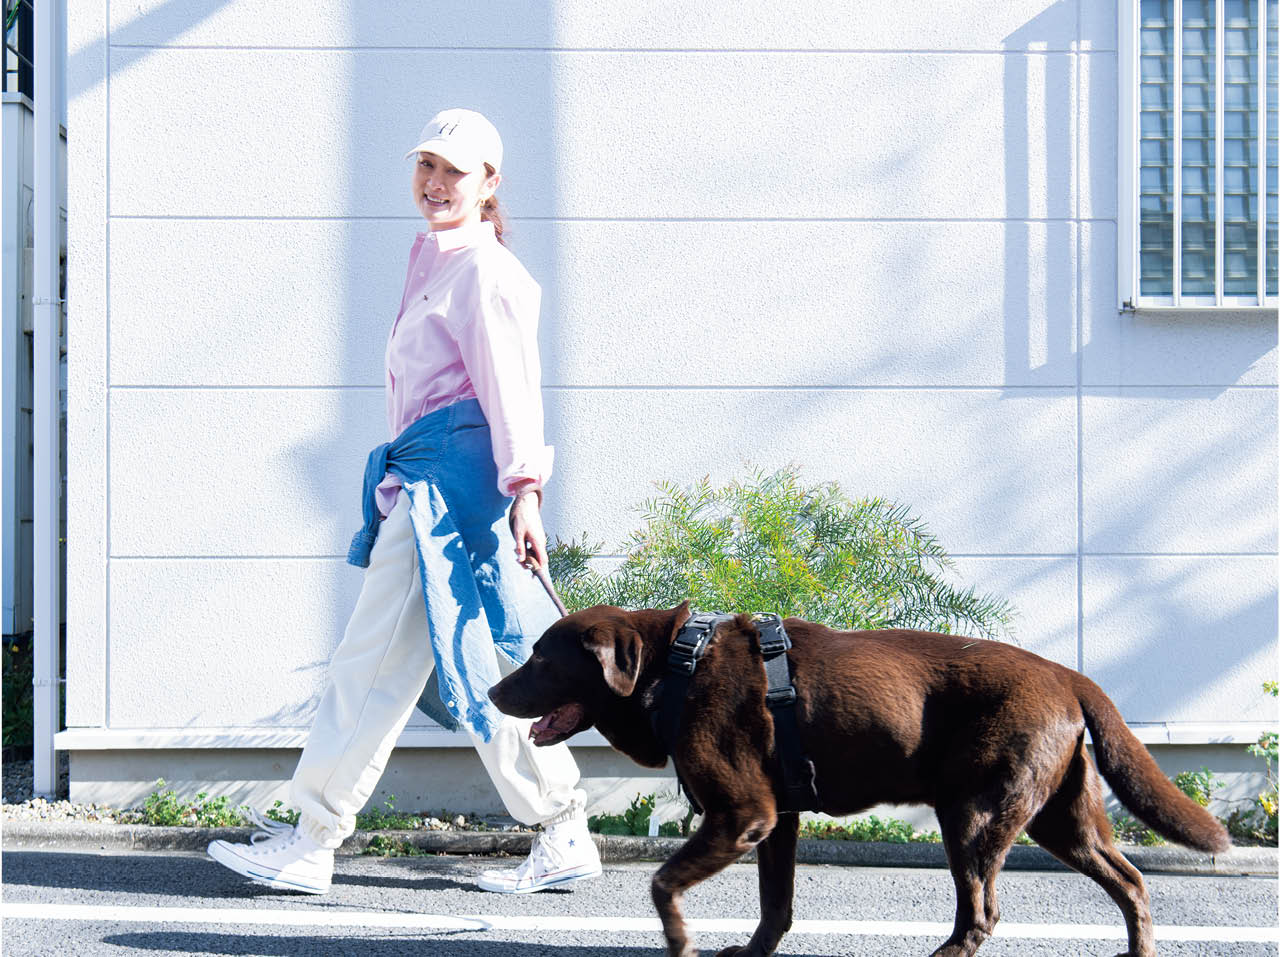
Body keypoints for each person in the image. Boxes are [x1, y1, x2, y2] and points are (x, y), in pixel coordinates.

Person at [207, 108, 600, 896]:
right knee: (481, 660)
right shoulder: (437, 261)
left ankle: (314, 835)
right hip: (434, 484)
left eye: (455, 170)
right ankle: (561, 827)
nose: (436, 182)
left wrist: (526, 491)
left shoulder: (485, 272)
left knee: (372, 665)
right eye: (427, 164)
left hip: (447, 492)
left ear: (490, 183)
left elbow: (512, 390)